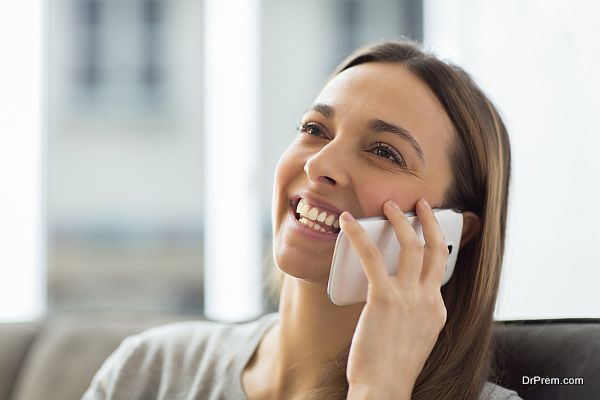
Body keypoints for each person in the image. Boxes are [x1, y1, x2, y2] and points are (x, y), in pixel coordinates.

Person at [83, 40, 522, 400]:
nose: (319, 165)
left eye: (384, 152)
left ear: (452, 234)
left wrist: (379, 389)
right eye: (315, 129)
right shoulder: (150, 372)